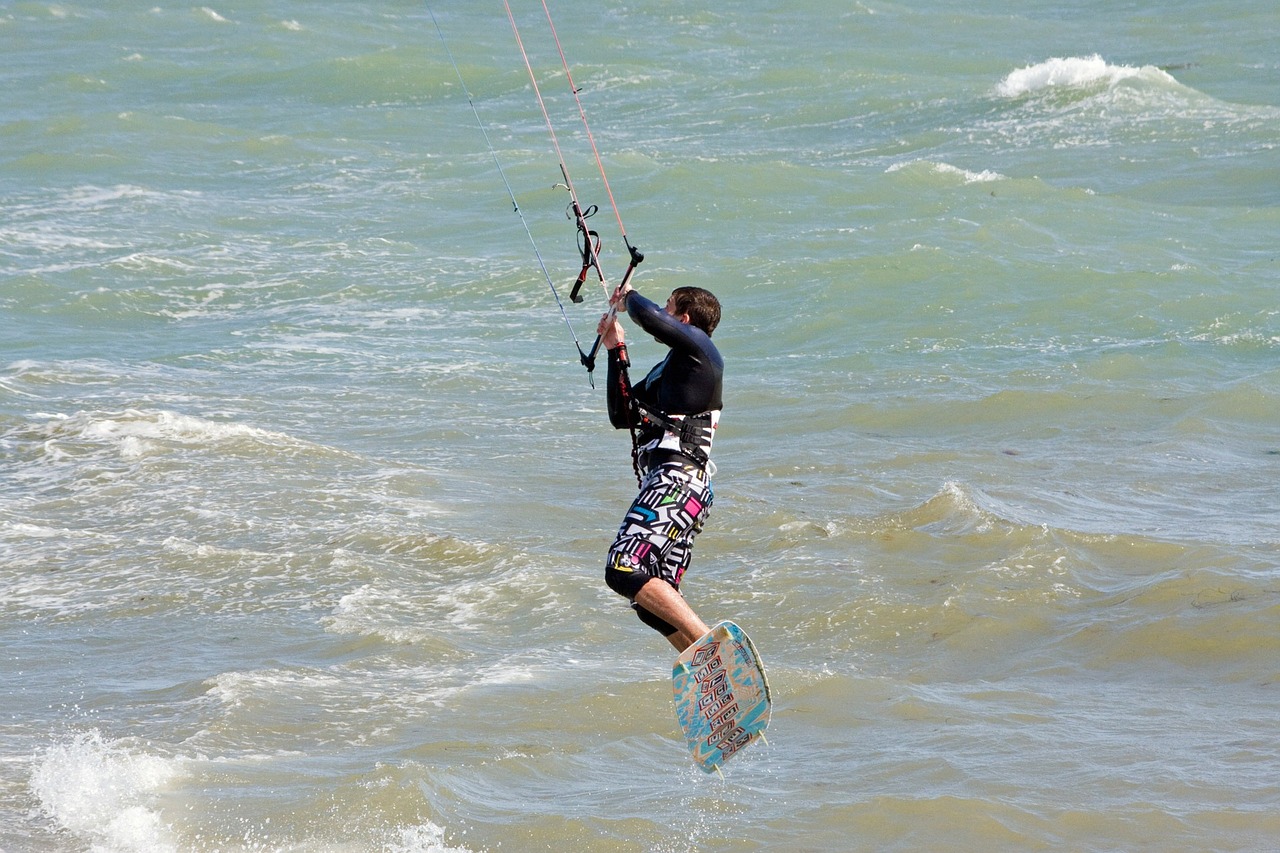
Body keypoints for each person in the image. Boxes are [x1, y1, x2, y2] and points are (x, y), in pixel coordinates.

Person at [596, 282, 723, 652]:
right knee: (650, 604)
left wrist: (627, 296)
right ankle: (710, 669)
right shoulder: (668, 373)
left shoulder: (703, 353)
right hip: (682, 488)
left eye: (668, 308)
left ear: (683, 318)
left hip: (678, 481)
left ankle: (712, 648)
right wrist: (614, 349)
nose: (661, 313)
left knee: (622, 567)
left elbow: (648, 317)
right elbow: (623, 415)